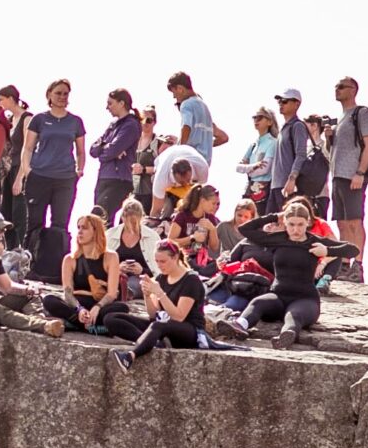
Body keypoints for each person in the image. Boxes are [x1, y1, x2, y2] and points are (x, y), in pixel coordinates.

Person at [238, 198, 356, 347]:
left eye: (300, 225)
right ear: (285, 223)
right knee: (258, 302)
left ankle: (286, 336)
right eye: (292, 224)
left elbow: (352, 249)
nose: (296, 230)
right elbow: (245, 230)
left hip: (305, 299)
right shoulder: (278, 239)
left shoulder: (314, 242)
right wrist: (275, 216)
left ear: (308, 222)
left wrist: (327, 250)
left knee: (294, 315)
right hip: (278, 296)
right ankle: (239, 326)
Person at [110, 239, 236, 369]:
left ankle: (130, 356)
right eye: (157, 261)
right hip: (164, 326)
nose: (159, 265)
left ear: (175, 257)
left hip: (190, 331)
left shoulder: (191, 280)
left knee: (158, 326)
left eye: (163, 261)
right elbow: (153, 314)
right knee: (113, 318)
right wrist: (147, 295)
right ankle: (152, 342)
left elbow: (179, 317)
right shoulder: (161, 278)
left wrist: (159, 293)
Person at [19, 80, 87, 283]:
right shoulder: (39, 119)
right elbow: (28, 147)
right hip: (39, 176)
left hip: (65, 178)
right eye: (58, 93)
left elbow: (81, 151)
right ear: (49, 94)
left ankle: (58, 270)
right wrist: (27, 170)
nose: (62, 97)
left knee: (60, 224)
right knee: (35, 222)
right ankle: (29, 266)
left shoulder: (75, 121)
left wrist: (79, 170)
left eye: (66, 93)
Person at [331, 77, 368, 271]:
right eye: (336, 86)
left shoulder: (362, 113)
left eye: (341, 87)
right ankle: (344, 263)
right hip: (337, 176)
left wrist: (360, 172)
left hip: (353, 176)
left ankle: (358, 264)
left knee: (355, 221)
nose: (337, 90)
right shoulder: (342, 117)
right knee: (342, 223)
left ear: (353, 90)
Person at [89, 89, 142, 219]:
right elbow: (93, 150)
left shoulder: (131, 125)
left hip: (119, 179)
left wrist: (108, 151)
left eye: (110, 103)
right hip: (104, 176)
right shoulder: (113, 125)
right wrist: (105, 148)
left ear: (121, 103)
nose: (107, 107)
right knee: (101, 218)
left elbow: (112, 151)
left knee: (99, 216)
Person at [271, 89, 318, 217]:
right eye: (280, 101)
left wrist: (292, 179)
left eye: (285, 101)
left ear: (297, 104)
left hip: (288, 186)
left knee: (289, 224)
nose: (281, 104)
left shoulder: (297, 126)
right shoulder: (283, 128)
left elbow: (301, 154)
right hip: (277, 184)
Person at [167, 72, 222, 178]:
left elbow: (186, 127)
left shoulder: (186, 104)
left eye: (174, 92)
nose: (174, 97)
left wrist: (179, 151)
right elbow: (223, 138)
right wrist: (206, 144)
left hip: (190, 164)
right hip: (204, 166)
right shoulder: (204, 107)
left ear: (180, 88)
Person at [241, 108, 279, 211]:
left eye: (260, 117)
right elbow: (238, 167)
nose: (256, 120)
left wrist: (247, 169)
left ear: (269, 122)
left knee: (259, 222)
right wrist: (253, 167)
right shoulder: (253, 145)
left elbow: (264, 169)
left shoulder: (273, 143)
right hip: (250, 189)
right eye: (254, 118)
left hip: (264, 191)